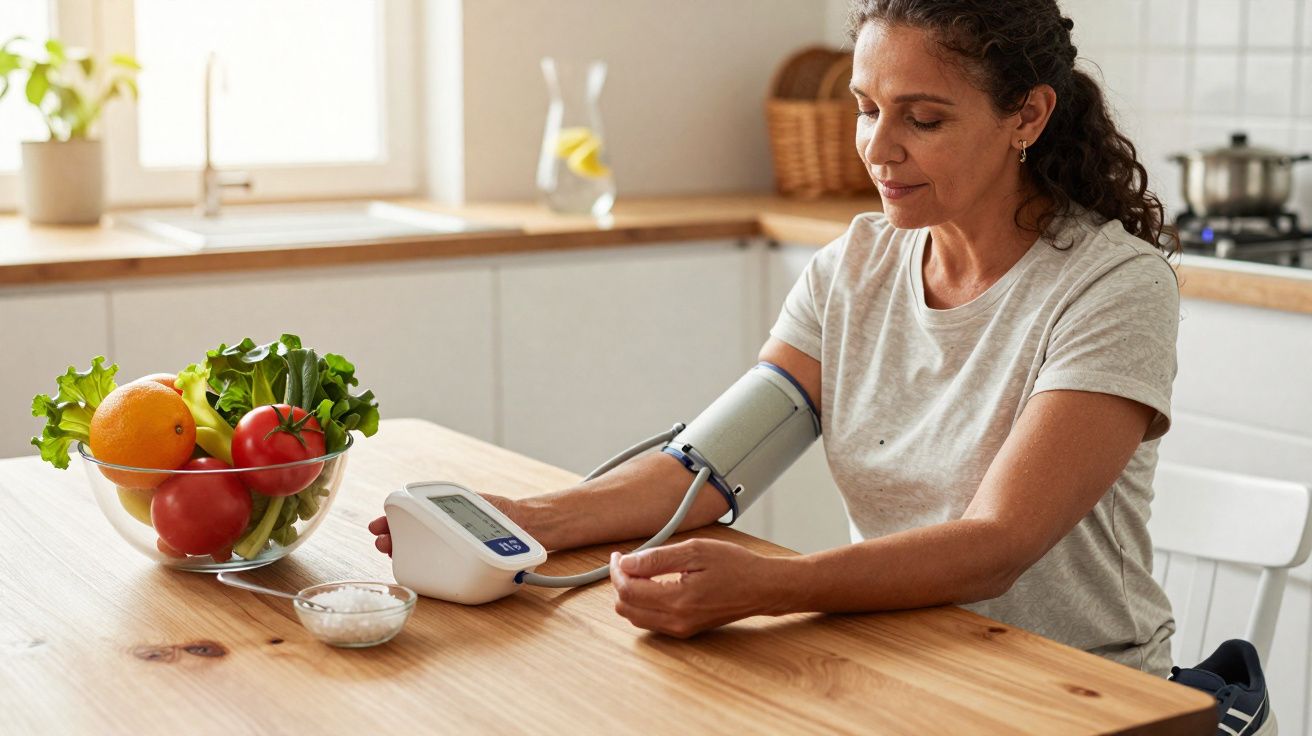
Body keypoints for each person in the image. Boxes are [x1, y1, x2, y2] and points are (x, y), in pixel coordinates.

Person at [370, 0, 1181, 676]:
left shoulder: (1112, 286)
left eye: (922, 118)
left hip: (1086, 687)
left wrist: (771, 584)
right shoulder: (854, 268)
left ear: (1028, 116)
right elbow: (708, 468)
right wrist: (534, 520)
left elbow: (996, 546)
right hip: (907, 656)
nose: (877, 147)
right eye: (866, 109)